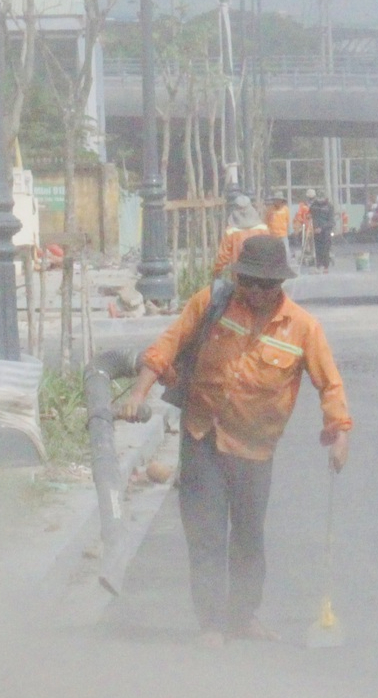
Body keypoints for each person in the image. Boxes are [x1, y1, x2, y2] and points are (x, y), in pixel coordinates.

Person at [122, 235, 352, 646]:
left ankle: (242, 616)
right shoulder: (213, 303)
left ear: (279, 285)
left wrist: (339, 434)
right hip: (203, 433)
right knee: (206, 533)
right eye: (249, 282)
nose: (256, 292)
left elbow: (329, 384)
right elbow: (167, 346)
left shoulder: (303, 328)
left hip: (255, 447)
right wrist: (139, 392)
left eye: (266, 285)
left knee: (247, 538)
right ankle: (211, 622)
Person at [212, 194, 271, 276]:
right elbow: (269, 250)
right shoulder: (263, 229)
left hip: (239, 275)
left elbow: (223, 256)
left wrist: (217, 270)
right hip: (260, 273)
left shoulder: (231, 232)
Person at [308, 192, 337, 271]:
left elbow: (331, 221)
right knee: (318, 248)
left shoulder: (329, 206)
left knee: (326, 248)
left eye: (322, 197)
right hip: (316, 231)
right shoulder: (314, 206)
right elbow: (311, 217)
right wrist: (315, 227)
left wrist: (322, 228)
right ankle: (318, 265)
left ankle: (325, 266)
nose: (320, 200)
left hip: (326, 231)